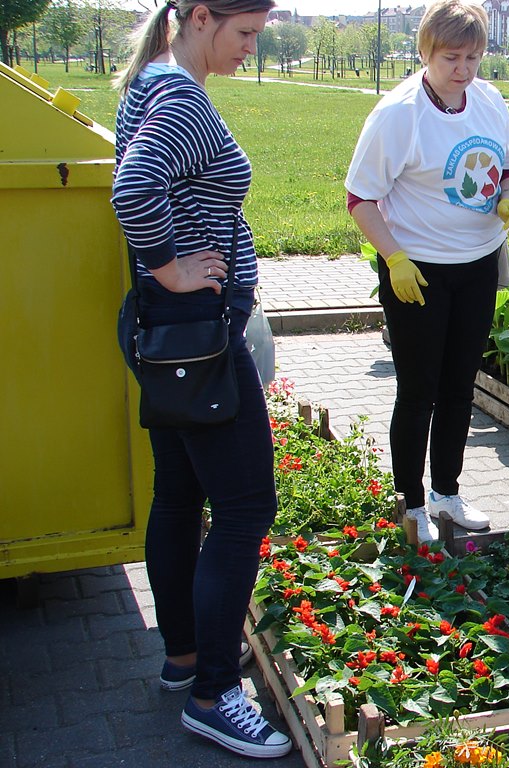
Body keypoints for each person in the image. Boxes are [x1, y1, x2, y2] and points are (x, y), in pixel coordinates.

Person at [111, 0, 291, 758]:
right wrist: (172, 269)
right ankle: (215, 694)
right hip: (197, 335)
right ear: (200, 16)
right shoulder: (180, 95)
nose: (252, 47)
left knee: (181, 495)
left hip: (171, 334)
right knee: (247, 507)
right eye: (244, 32)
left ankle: (185, 658)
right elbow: (133, 188)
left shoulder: (152, 80)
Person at [345, 0, 509, 543]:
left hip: (477, 265)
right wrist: (394, 257)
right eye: (451, 58)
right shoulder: (399, 114)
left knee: (459, 386)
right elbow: (360, 198)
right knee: (418, 390)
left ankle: (448, 491)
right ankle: (411, 502)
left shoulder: (488, 100)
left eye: (473, 57)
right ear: (425, 52)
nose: (464, 70)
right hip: (418, 271)